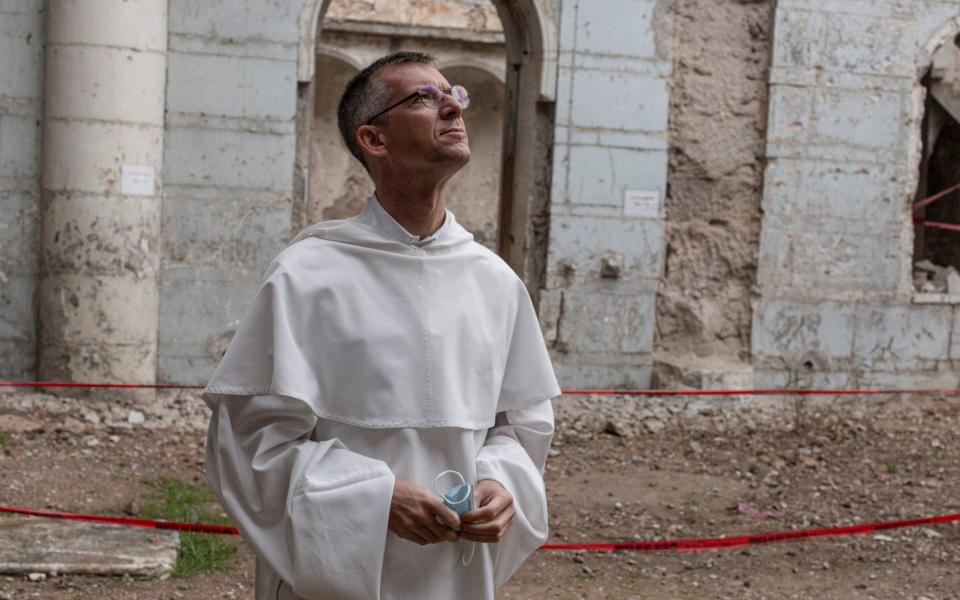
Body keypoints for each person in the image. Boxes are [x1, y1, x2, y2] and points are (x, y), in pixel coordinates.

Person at [202, 51, 561, 599]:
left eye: (454, 94)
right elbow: (252, 446)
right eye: (424, 98)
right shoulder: (307, 276)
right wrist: (376, 497)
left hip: (456, 570)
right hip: (336, 569)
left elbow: (521, 425)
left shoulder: (493, 281)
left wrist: (499, 480)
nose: (452, 108)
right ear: (374, 139)